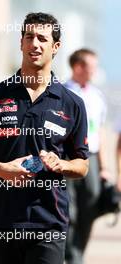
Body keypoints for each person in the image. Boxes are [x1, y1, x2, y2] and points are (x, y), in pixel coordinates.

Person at [0, 13, 89, 264]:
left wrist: (61, 164)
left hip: (49, 223)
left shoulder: (72, 103)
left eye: (42, 38)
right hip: (1, 221)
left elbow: (82, 164)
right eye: (29, 37)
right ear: (21, 42)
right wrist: (1, 169)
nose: (35, 44)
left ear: (55, 47)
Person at [64, 48, 110, 264]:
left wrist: (104, 167)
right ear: (78, 67)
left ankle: (77, 253)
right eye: (92, 66)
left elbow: (99, 133)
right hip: (66, 157)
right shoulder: (62, 92)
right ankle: (70, 256)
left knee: (91, 204)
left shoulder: (97, 96)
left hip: (90, 157)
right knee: (68, 209)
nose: (95, 71)